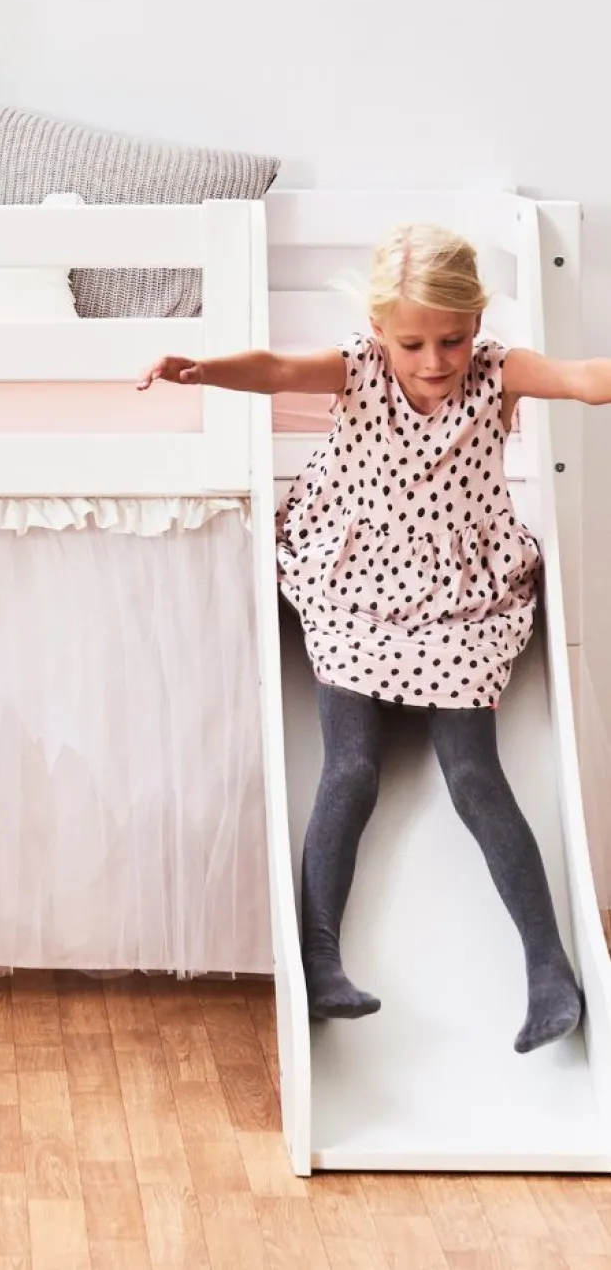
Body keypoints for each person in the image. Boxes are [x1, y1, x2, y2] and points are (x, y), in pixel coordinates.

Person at [140, 222, 611, 1052]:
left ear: (478, 322)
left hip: (459, 598)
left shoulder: (499, 372)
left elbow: (582, 380)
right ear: (379, 330)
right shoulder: (357, 366)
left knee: (476, 775)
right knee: (351, 767)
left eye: (452, 340)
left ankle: (549, 972)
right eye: (413, 343)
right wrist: (203, 369)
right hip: (354, 585)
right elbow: (277, 369)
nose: (434, 362)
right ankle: (321, 960)